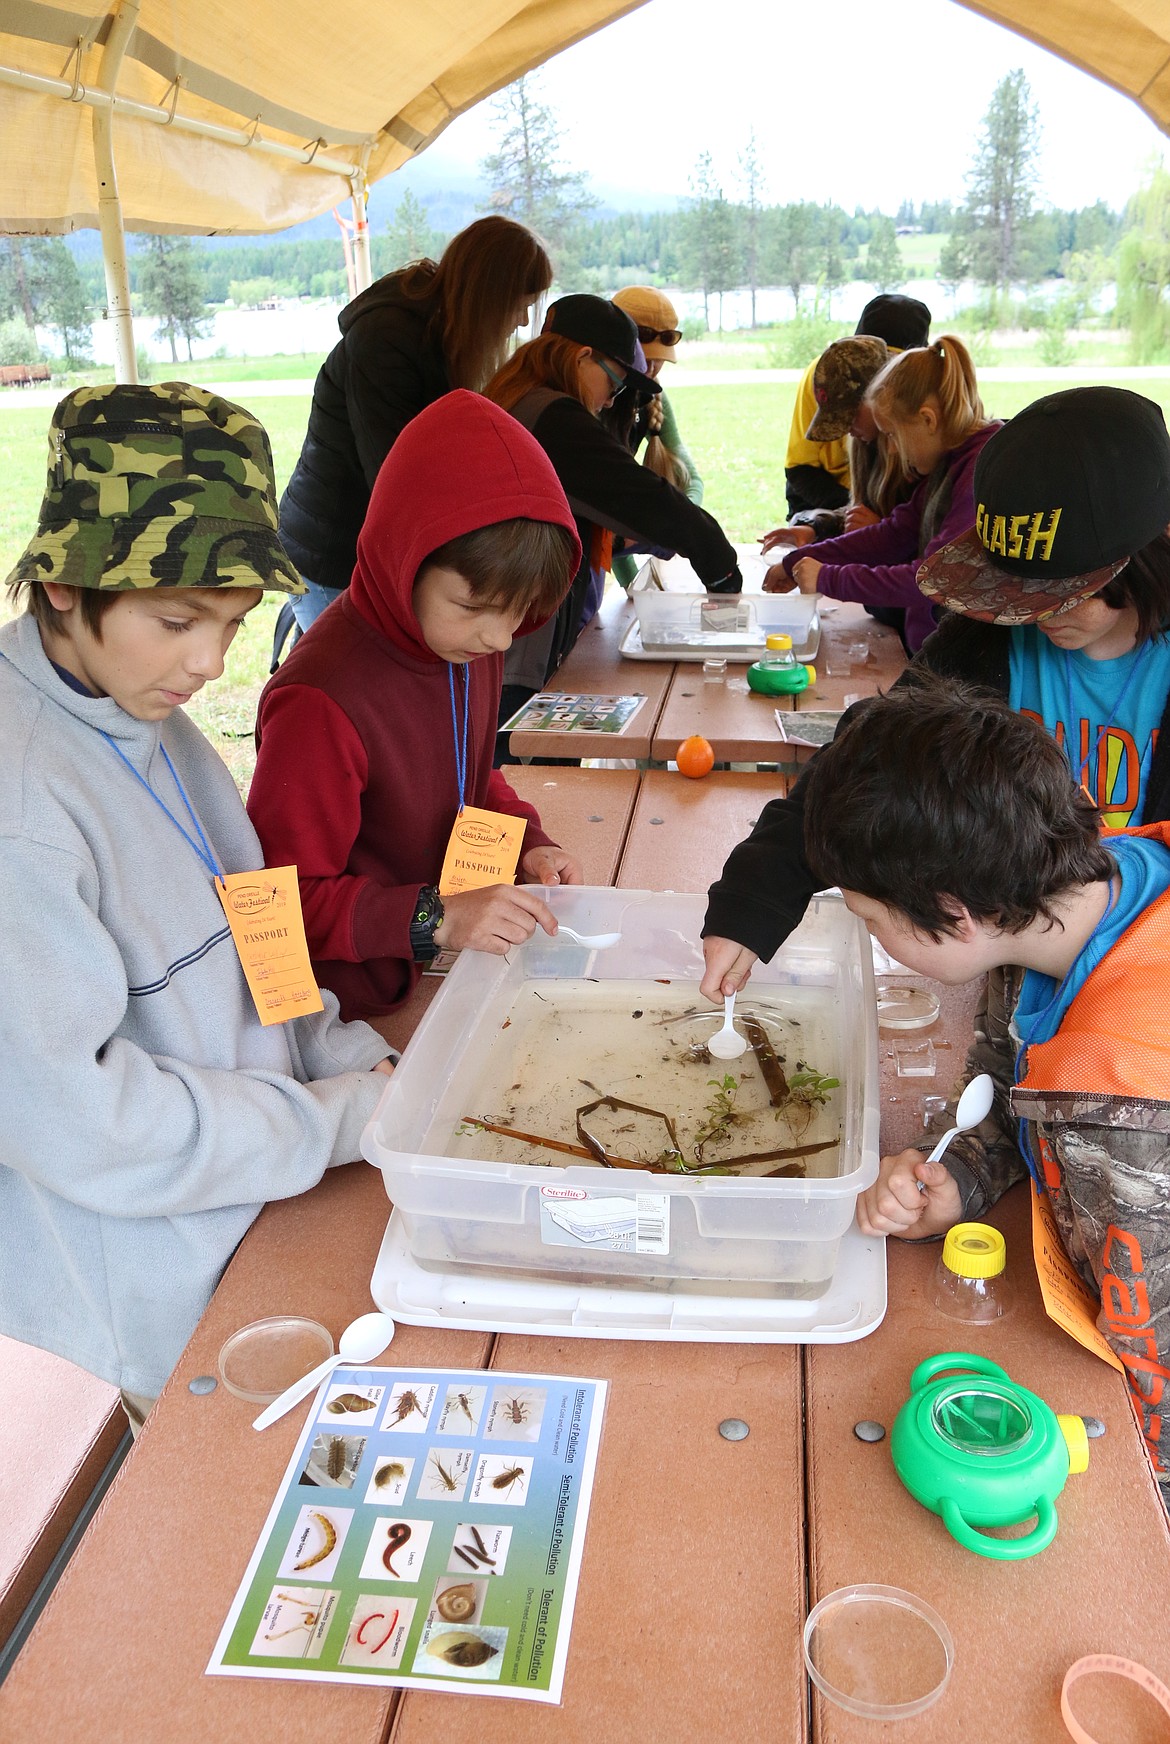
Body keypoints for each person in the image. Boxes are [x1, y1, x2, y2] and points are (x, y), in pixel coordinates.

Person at [0, 383, 394, 1432]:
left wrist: (347, 1057)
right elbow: (78, 1120)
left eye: (232, 624)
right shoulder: (22, 798)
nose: (210, 664)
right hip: (157, 1278)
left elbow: (256, 923)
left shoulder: (151, 717)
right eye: (176, 621)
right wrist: (330, 1120)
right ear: (63, 589)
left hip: (269, 1196)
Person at [800, 676, 1170, 1486]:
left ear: (952, 914)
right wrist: (959, 1181)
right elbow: (1009, 1088)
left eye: (869, 919)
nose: (871, 935)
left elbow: (1153, 1356)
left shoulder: (1129, 1110)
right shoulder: (1066, 901)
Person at [700, 384, 1170, 1007]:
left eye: (1058, 592)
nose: (1029, 612)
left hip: (1144, 978)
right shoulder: (989, 633)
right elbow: (873, 768)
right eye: (1014, 587)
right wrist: (755, 899)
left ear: (1146, 550)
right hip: (1006, 952)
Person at [247, 391, 585, 1025]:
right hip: (350, 1009)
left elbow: (469, 778)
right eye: (476, 607)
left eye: (519, 612)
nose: (500, 639)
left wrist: (529, 845)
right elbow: (279, 901)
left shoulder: (460, 644)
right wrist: (437, 917)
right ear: (405, 557)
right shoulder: (320, 701)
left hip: (441, 968)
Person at [483, 294, 741, 738]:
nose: (609, 402)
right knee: (524, 775)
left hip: (498, 625)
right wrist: (717, 561)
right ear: (583, 357)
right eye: (616, 384)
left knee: (506, 780)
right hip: (513, 638)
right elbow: (639, 495)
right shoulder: (554, 416)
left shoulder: (518, 396)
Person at [279, 216, 553, 633]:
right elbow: (395, 476)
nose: (520, 321)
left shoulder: (437, 331)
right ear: (489, 295)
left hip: (359, 544)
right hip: (332, 550)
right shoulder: (385, 338)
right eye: (520, 304)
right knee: (354, 684)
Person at [768, 335, 1001, 652]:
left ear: (927, 419)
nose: (890, 448)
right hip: (934, 651)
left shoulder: (979, 475)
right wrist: (798, 561)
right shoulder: (947, 466)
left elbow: (929, 579)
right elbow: (890, 534)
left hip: (965, 663)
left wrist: (826, 578)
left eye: (892, 434)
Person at [783, 292, 931, 520]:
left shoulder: (922, 390)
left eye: (893, 366)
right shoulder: (828, 371)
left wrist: (878, 523)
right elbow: (800, 469)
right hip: (829, 498)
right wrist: (846, 516)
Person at [608, 285, 705, 587]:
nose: (650, 369)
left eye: (659, 359)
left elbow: (690, 478)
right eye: (642, 358)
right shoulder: (593, 406)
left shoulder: (651, 400)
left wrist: (686, 521)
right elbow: (607, 505)